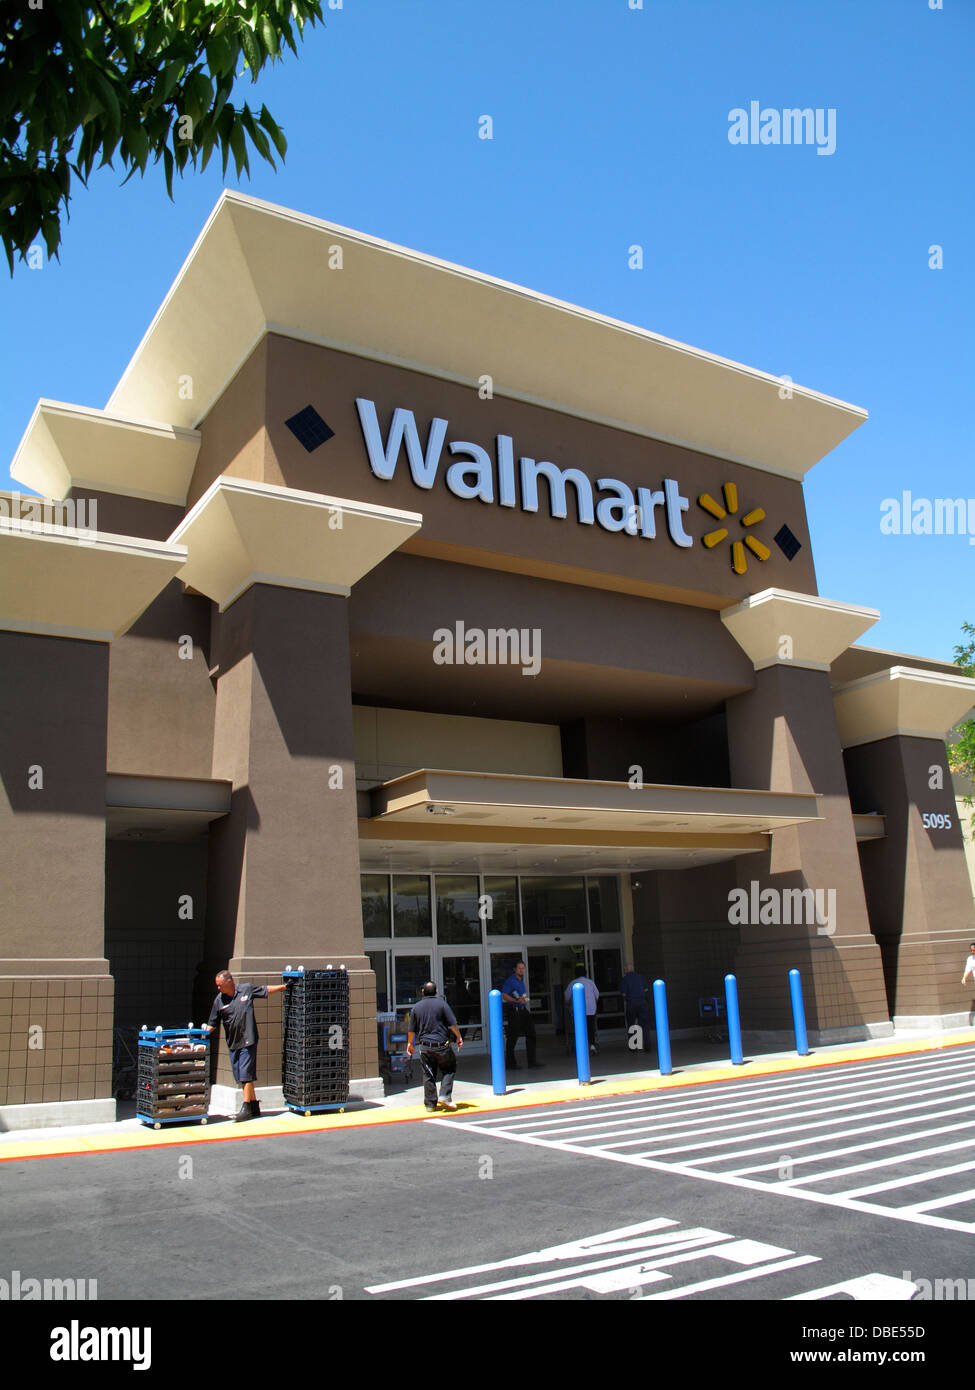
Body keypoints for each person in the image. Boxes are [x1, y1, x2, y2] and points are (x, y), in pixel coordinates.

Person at [203, 969, 288, 1122]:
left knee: (245, 1075)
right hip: (233, 1042)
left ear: (229, 982)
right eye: (217, 986)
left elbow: (265, 990)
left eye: (220, 985)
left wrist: (284, 987)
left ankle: (246, 1107)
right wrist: (200, 1035)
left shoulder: (246, 989)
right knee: (241, 1075)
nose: (218, 988)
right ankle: (254, 1106)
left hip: (249, 1040)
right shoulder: (219, 1000)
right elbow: (212, 1023)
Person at [406, 982, 464, 1112]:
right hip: (441, 1046)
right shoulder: (442, 1004)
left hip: (425, 1047)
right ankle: (445, 1095)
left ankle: (430, 1104)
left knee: (428, 1074)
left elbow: (411, 1030)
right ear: (436, 992)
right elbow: (452, 1024)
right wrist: (459, 1037)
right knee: (449, 1068)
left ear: (422, 992)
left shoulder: (416, 1007)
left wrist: (410, 1044)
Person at [501, 960, 540, 1069]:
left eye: (523, 968)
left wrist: (523, 1000)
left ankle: (532, 1061)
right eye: (519, 968)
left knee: (531, 1034)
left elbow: (521, 996)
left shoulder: (520, 981)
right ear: (515, 969)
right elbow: (504, 995)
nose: (521, 970)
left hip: (523, 1010)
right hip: (514, 1010)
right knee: (513, 1037)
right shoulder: (511, 981)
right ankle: (510, 1063)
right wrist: (515, 1001)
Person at [564, 967, 600, 1053]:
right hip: (591, 1010)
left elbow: (566, 996)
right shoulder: (590, 982)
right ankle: (592, 1045)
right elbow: (597, 995)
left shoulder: (573, 983)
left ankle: (580, 1047)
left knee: (579, 1029)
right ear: (586, 973)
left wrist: (569, 1005)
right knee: (590, 1028)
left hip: (577, 1011)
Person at [620, 964, 652, 1053]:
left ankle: (633, 1047)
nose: (624, 970)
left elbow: (623, 993)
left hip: (631, 1003)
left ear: (626, 970)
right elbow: (646, 989)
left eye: (624, 969)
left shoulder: (625, 979)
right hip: (642, 1002)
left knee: (632, 1025)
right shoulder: (640, 977)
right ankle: (647, 1045)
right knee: (644, 1025)